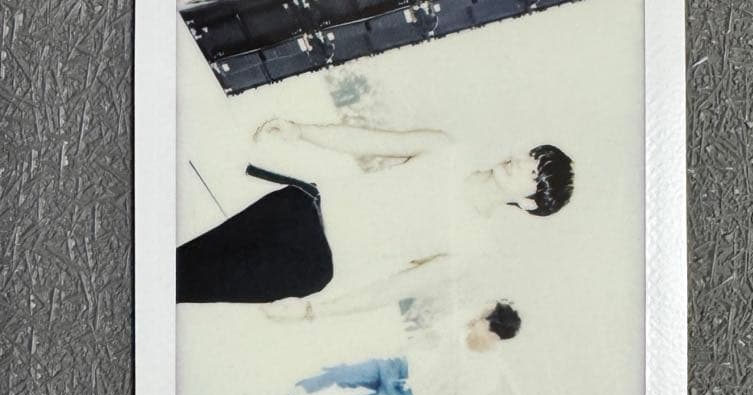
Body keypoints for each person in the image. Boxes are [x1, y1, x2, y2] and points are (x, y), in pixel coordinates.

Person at [176, 116, 574, 307]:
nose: (521, 162)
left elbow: (391, 290)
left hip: (314, 264)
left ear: (529, 204)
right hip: (300, 206)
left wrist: (317, 313)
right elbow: (366, 141)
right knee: (182, 260)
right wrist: (302, 131)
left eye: (533, 174)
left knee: (189, 285)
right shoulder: (445, 149)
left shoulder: (472, 245)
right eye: (531, 155)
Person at [282, 301, 521, 395]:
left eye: (484, 319)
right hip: (399, 367)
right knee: (340, 373)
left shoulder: (486, 372)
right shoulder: (464, 322)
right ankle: (294, 393)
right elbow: (429, 335)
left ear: (493, 336)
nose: (478, 318)